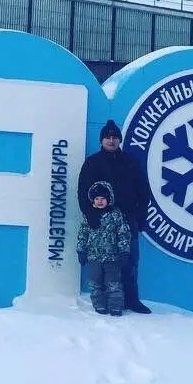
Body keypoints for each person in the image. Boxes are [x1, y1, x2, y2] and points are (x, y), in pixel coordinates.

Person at [77, 119, 152, 314]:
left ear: (119, 139)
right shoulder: (92, 163)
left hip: (127, 221)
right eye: (107, 137)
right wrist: (91, 216)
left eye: (115, 137)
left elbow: (144, 192)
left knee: (129, 262)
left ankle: (132, 300)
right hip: (100, 225)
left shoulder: (131, 162)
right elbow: (82, 192)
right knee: (101, 270)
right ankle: (103, 303)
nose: (111, 140)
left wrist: (140, 218)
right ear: (101, 140)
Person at [77, 181, 132, 316]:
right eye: (97, 199)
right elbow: (83, 233)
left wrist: (124, 251)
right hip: (94, 257)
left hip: (112, 257)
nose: (100, 202)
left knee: (113, 283)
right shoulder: (89, 216)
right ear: (93, 201)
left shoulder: (115, 215)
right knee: (95, 282)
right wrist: (81, 250)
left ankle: (115, 306)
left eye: (102, 199)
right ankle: (99, 305)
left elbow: (123, 233)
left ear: (109, 199)